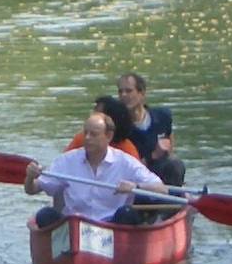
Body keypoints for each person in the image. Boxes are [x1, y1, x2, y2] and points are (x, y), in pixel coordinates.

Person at [23, 112, 164, 230]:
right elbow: (32, 189)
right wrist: (30, 177)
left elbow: (162, 190)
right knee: (45, 215)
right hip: (73, 225)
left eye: (94, 134)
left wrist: (135, 187)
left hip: (112, 226)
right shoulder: (67, 161)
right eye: (86, 133)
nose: (88, 138)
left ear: (108, 136)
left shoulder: (125, 162)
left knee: (127, 213)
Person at [118, 72, 185, 188]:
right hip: (133, 178)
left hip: (161, 173)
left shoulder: (163, 116)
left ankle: (175, 196)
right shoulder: (119, 126)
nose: (123, 95)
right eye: (120, 92)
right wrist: (153, 156)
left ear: (142, 93)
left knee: (175, 164)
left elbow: (169, 151)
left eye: (128, 91)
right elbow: (125, 168)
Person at [63, 95, 144, 161]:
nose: (91, 116)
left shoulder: (128, 151)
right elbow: (62, 163)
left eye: (96, 114)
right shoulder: (82, 139)